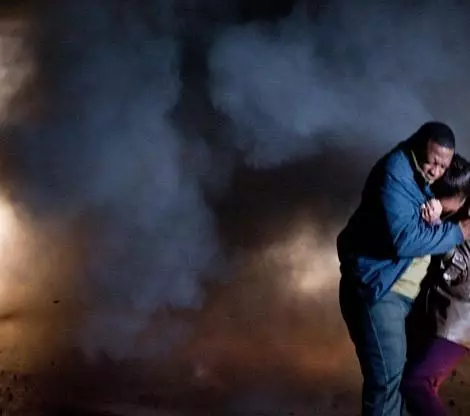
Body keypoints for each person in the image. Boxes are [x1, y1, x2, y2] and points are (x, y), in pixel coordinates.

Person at [337, 121, 470, 416]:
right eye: (432, 162)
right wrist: (452, 228)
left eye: (443, 165)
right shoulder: (396, 175)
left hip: (419, 303)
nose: (436, 171)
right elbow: (405, 241)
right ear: (418, 146)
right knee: (390, 387)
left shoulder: (427, 182)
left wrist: (441, 218)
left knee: (403, 387)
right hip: (381, 292)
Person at [402, 156, 470, 416]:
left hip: (458, 320)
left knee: (417, 384)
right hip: (434, 311)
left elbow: (458, 266)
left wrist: (438, 228)